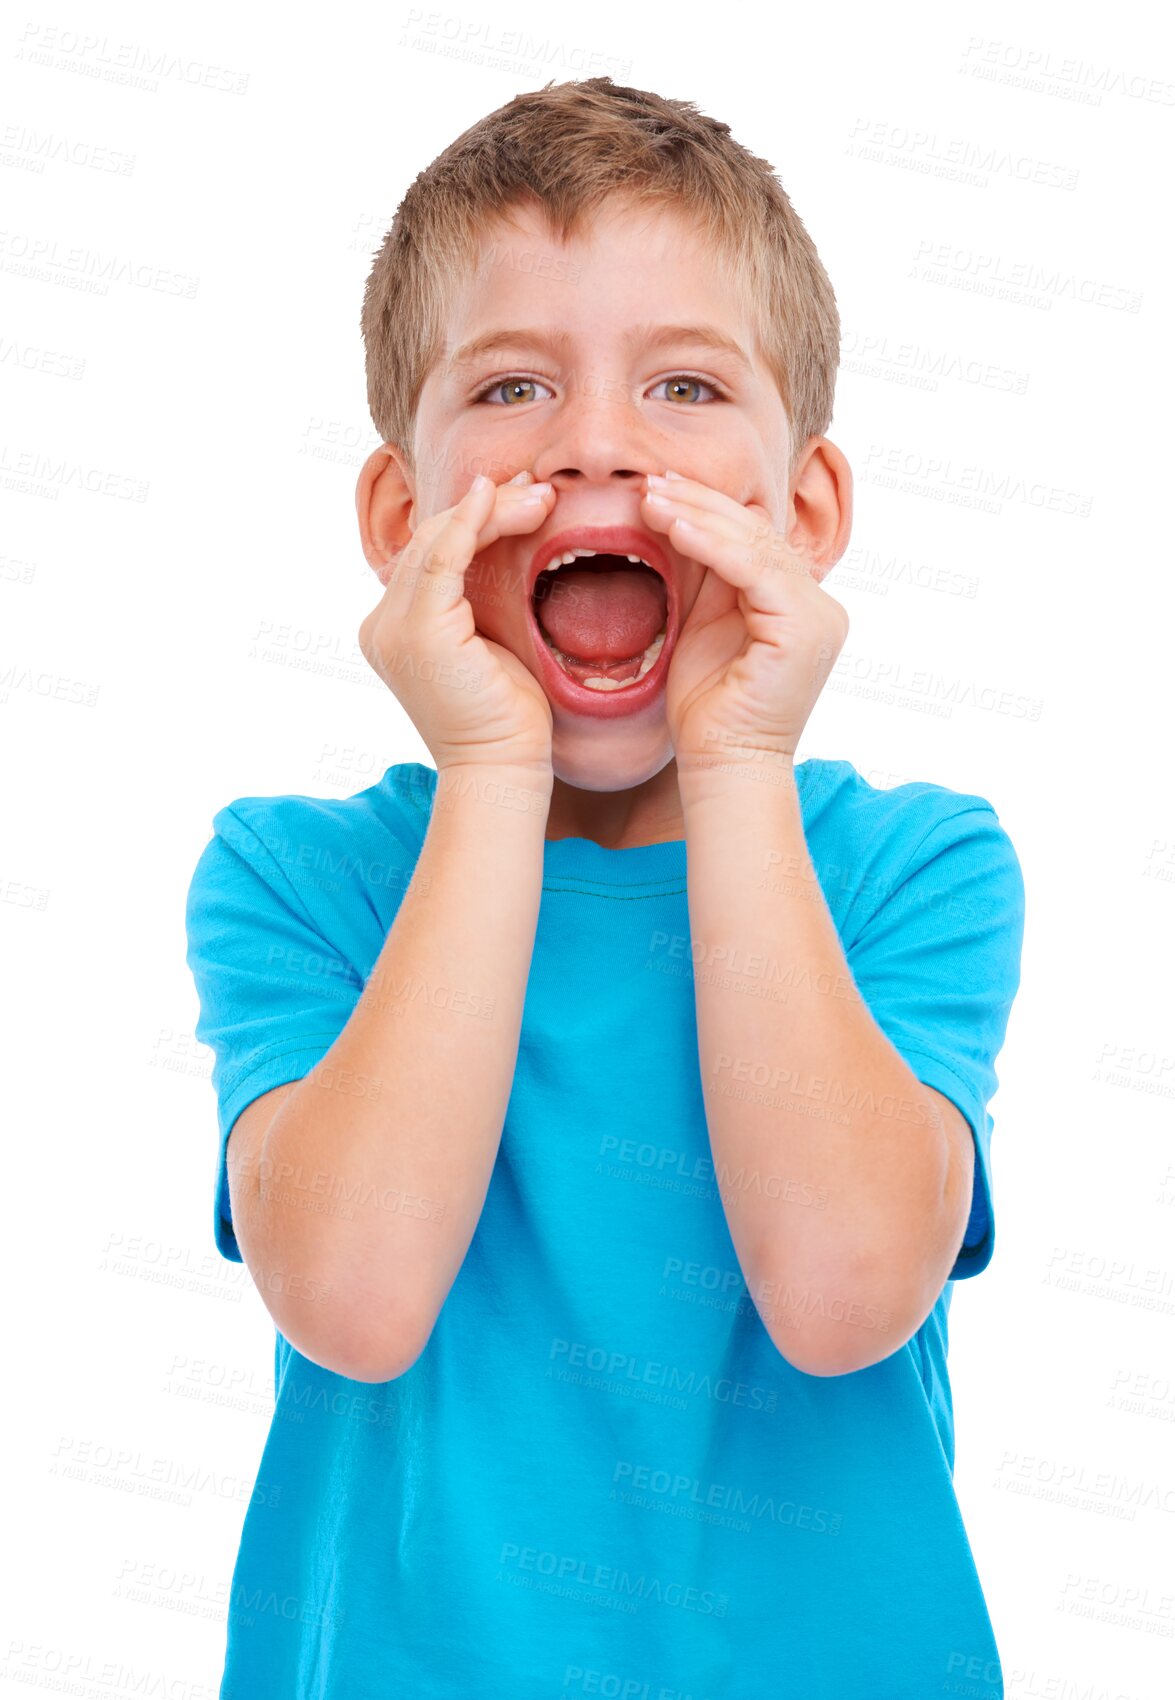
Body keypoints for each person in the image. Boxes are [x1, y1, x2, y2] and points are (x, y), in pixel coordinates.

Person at [185, 76, 1025, 1698]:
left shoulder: (914, 870)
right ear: (400, 516)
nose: (595, 446)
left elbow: (846, 1292)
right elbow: (351, 1299)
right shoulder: (299, 877)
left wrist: (743, 759)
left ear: (803, 512)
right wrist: (491, 771)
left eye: (686, 385)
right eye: (509, 390)